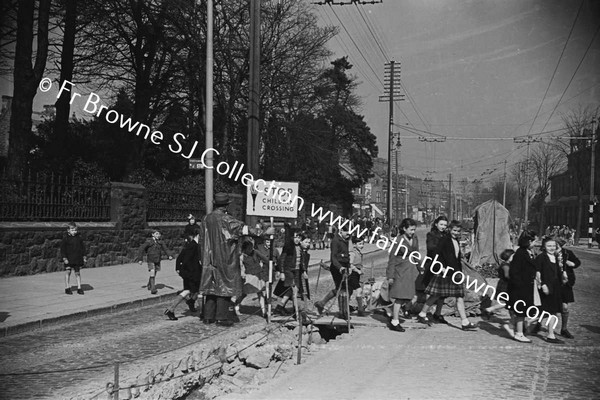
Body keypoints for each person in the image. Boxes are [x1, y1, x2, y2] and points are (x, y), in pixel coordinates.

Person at [199, 193, 273, 327]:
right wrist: (264, 233)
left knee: (211, 287)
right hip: (225, 257)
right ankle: (221, 317)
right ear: (227, 205)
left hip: (209, 257)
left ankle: (208, 316)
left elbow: (202, 240)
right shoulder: (228, 220)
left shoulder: (206, 219)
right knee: (225, 286)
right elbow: (245, 229)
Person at [418, 220, 477, 331]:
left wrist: (460, 272)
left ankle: (465, 322)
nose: (456, 233)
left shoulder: (456, 241)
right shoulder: (444, 240)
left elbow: (456, 258)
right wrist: (441, 267)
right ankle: (422, 313)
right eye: (454, 230)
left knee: (460, 296)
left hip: (455, 273)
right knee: (435, 295)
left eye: (458, 231)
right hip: (444, 272)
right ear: (449, 229)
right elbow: (436, 254)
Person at [386, 218, 420, 332]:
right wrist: (390, 276)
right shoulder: (398, 240)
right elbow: (392, 259)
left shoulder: (415, 238)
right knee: (400, 297)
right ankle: (394, 321)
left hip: (410, 270)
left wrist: (420, 266)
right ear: (404, 229)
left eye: (414, 230)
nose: (413, 232)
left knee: (410, 296)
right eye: (411, 230)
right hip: (399, 270)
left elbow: (416, 253)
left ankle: (401, 311)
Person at [164, 227, 202, 320]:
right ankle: (171, 309)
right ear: (197, 235)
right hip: (191, 274)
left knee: (192, 291)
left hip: (190, 274)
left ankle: (190, 303)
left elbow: (180, 257)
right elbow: (186, 260)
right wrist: (190, 273)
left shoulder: (191, 245)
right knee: (194, 291)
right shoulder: (193, 246)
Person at [507, 230, 538, 342]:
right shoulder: (521, 253)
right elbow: (514, 272)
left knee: (522, 311)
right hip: (520, 288)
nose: (536, 243)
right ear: (529, 241)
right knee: (520, 311)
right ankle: (519, 333)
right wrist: (520, 285)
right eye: (535, 241)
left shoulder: (527, 252)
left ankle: (518, 331)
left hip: (526, 286)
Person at [313, 227, 351, 316]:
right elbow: (333, 257)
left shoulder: (345, 240)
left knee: (342, 289)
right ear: (341, 231)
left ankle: (322, 303)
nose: (348, 234)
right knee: (341, 290)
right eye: (346, 232)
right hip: (337, 268)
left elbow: (346, 255)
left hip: (344, 267)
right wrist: (340, 267)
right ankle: (342, 312)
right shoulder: (335, 241)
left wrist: (348, 267)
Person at [419, 216, 449, 324]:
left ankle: (438, 314)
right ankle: (424, 313)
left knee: (443, 293)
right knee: (434, 292)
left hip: (445, 266)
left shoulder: (446, 235)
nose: (443, 227)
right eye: (441, 224)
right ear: (436, 224)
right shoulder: (431, 235)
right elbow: (431, 249)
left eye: (445, 225)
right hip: (434, 265)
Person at [535, 237, 563, 344]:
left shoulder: (555, 257)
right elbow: (537, 273)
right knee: (551, 311)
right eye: (549, 246)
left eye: (553, 246)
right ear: (544, 247)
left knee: (549, 311)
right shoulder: (541, 257)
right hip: (546, 287)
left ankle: (534, 327)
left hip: (556, 287)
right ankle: (551, 335)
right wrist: (542, 284)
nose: (552, 248)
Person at [483, 249, 514, 334]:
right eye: (513, 256)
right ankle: (490, 309)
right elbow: (507, 275)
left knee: (510, 304)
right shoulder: (505, 265)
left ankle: (513, 321)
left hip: (505, 284)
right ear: (508, 257)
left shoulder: (507, 264)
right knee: (509, 302)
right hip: (505, 285)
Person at [235, 240, 269, 317]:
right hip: (249, 277)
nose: (251, 249)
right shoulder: (241, 256)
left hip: (258, 275)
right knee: (244, 293)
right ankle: (236, 306)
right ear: (245, 248)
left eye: (252, 247)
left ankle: (264, 311)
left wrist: (271, 263)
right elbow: (241, 267)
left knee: (260, 293)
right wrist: (242, 274)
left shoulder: (255, 252)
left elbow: (265, 258)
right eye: (249, 248)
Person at [555, 238, 580, 338]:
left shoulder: (568, 253)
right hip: (553, 283)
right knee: (547, 306)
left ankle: (564, 329)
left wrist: (572, 264)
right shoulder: (548, 254)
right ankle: (538, 325)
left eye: (556, 245)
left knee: (564, 307)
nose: (554, 247)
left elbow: (577, 262)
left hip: (565, 284)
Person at [138, 230, 173, 295]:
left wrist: (169, 255)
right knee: (152, 272)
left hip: (157, 259)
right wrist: (140, 259)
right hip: (150, 259)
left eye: (159, 234)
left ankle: (149, 284)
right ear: (153, 234)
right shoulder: (149, 242)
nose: (158, 235)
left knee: (154, 272)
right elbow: (141, 249)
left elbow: (165, 249)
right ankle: (153, 289)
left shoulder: (160, 242)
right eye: (156, 234)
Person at [61, 222, 87, 295]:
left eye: (75, 230)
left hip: (77, 258)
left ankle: (79, 287)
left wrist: (84, 256)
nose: (74, 231)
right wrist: (64, 258)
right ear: (68, 230)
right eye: (72, 230)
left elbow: (83, 248)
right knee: (68, 272)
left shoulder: (79, 238)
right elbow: (62, 249)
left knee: (77, 273)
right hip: (68, 258)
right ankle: (67, 287)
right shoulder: (65, 239)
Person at [349, 236, 367, 316]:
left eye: (362, 244)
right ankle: (360, 309)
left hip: (356, 274)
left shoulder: (359, 252)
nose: (361, 246)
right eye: (359, 244)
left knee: (349, 291)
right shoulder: (352, 253)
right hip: (352, 274)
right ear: (354, 244)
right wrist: (357, 270)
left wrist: (361, 269)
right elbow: (350, 265)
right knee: (359, 290)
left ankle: (346, 307)